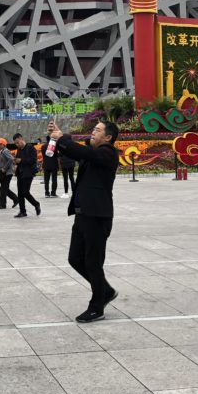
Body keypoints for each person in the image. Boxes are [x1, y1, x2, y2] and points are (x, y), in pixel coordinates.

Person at [48, 118, 120, 323]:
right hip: (83, 214)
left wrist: (62, 138)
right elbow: (75, 151)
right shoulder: (92, 153)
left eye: (98, 130)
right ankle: (105, 290)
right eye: (94, 130)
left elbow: (83, 152)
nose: (93, 133)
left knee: (93, 262)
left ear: (108, 137)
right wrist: (60, 136)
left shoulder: (108, 153)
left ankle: (97, 306)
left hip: (98, 216)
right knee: (75, 259)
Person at [12, 133, 41, 218]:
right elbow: (18, 160)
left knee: (25, 192)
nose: (17, 144)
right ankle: (22, 211)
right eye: (15, 143)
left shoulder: (30, 148)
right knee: (20, 193)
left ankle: (36, 204)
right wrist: (15, 162)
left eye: (18, 142)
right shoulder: (19, 149)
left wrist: (21, 160)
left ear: (21, 139)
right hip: (20, 173)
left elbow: (32, 160)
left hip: (28, 173)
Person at [0, 138, 19, 209]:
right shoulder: (2, 151)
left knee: (3, 188)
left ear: (2, 145)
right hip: (3, 172)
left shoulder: (5, 151)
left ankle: (2, 204)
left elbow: (11, 159)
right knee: (5, 188)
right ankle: (16, 199)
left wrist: (4, 168)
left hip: (6, 173)